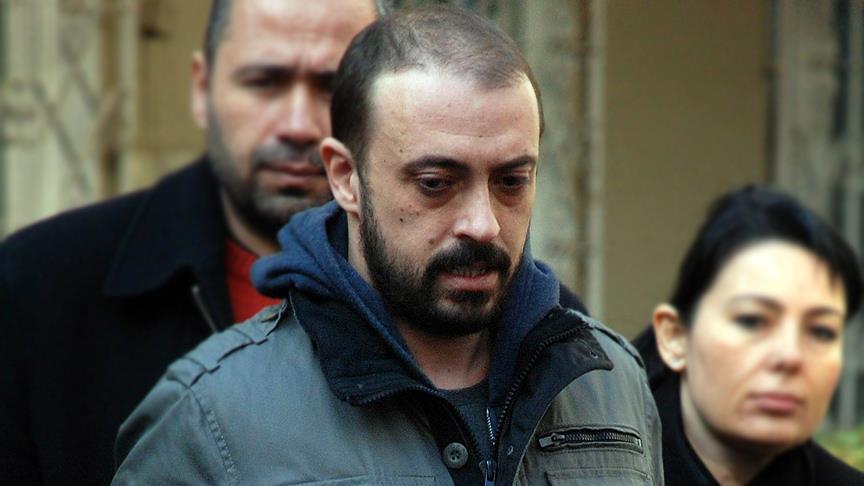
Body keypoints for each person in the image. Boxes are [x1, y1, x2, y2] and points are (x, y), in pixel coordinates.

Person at [113, 6, 662, 485]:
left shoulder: (612, 383)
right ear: (345, 178)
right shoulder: (210, 416)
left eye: (511, 181)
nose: (483, 224)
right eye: (436, 183)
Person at [0, 1, 383, 484]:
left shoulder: (444, 284)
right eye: (264, 82)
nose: (298, 124)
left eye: (332, 87)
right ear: (202, 88)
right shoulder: (38, 286)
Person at [634, 186, 864, 485]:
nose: (790, 356)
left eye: (822, 331)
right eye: (752, 320)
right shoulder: (590, 465)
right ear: (675, 337)